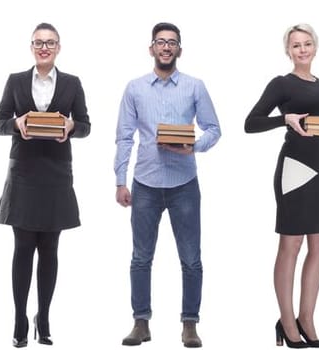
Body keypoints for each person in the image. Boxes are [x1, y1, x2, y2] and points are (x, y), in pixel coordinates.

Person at [243, 23, 319, 349]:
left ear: (315, 47)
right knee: (291, 245)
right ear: (288, 50)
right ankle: (286, 321)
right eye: (295, 45)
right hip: (294, 168)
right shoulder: (282, 84)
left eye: (307, 43)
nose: (302, 49)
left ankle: (306, 318)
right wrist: (285, 119)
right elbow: (250, 123)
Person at [114, 22, 222, 349]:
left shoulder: (194, 87)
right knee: (140, 257)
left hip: (184, 183)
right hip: (145, 182)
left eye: (171, 43)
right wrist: (120, 180)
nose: (165, 47)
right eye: (160, 42)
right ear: (151, 48)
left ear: (179, 50)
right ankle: (140, 321)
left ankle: (190, 324)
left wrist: (195, 147)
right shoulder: (134, 88)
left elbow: (214, 129)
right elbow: (123, 137)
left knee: (191, 258)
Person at [0, 22, 91, 348]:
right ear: (32, 47)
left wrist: (72, 126)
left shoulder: (73, 83)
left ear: (58, 47)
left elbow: (86, 125)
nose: (44, 48)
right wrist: (16, 124)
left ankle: (43, 317)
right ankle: (20, 319)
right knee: (22, 249)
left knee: (50, 249)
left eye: (50, 43)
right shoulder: (16, 81)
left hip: (57, 172)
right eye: (38, 43)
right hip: (24, 172)